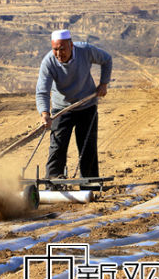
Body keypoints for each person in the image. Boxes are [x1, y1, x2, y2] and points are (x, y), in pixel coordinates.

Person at [36, 29, 112, 181]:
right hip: (61, 109)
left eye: (62, 48)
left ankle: (90, 183)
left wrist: (104, 83)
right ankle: (53, 181)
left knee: (87, 147)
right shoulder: (48, 62)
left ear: (71, 45)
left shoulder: (85, 50)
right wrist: (45, 114)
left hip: (87, 106)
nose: (59, 53)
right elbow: (42, 91)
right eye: (55, 49)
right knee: (57, 147)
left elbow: (107, 59)